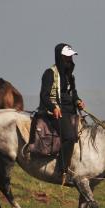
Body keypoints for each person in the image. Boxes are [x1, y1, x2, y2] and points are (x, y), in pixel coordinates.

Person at [38, 43, 85, 176]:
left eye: (71, 57)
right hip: (56, 113)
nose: (70, 60)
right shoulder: (49, 73)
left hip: (71, 112)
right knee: (70, 137)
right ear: (60, 57)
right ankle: (61, 170)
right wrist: (53, 107)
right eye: (67, 57)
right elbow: (44, 95)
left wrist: (78, 101)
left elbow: (73, 93)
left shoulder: (70, 76)